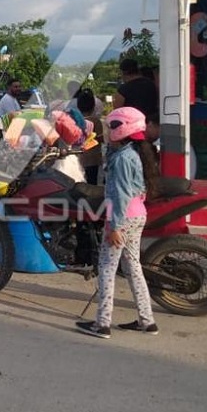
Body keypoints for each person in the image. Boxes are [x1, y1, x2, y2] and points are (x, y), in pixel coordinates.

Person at [76, 106, 160, 339]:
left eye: (112, 126)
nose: (109, 131)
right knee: (133, 268)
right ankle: (147, 321)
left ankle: (102, 324)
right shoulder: (134, 152)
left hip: (122, 218)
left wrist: (114, 227)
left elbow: (120, 195)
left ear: (124, 129)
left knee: (106, 268)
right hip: (136, 214)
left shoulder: (123, 158)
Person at [76, 88, 103, 185]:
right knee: (92, 182)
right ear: (93, 107)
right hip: (93, 159)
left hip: (79, 156)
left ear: (78, 106)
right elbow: (100, 138)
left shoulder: (76, 120)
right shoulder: (96, 121)